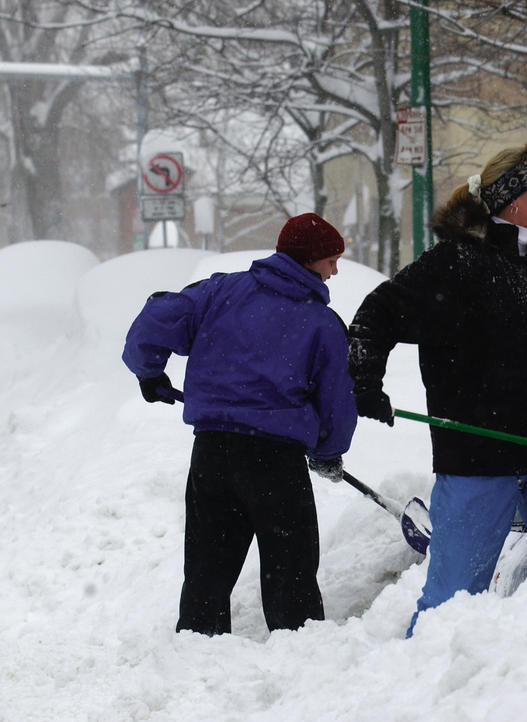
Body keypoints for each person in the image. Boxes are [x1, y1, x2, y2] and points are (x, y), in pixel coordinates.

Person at [348, 143, 527, 636]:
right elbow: (376, 316)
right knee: (451, 602)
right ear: (513, 196)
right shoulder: (455, 266)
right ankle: (422, 688)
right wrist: (365, 382)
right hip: (475, 461)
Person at [122, 212, 358, 636]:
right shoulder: (321, 324)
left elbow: (156, 319)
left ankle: (197, 647)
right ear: (308, 261)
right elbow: (337, 400)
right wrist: (328, 451)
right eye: (330, 260)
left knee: (207, 569)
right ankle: (302, 656)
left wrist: (150, 372)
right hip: (276, 463)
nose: (335, 270)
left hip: (213, 454)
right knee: (291, 574)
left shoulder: (220, 292)